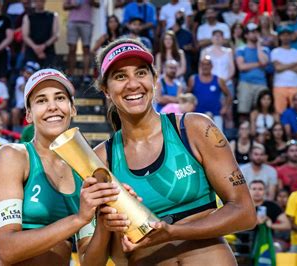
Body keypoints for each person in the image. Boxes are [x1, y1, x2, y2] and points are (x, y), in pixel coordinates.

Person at [84, 38, 255, 265]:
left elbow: (245, 212)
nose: (133, 84)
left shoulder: (195, 129)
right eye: (120, 76)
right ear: (106, 90)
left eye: (141, 73)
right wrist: (105, 226)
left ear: (155, 79)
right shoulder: (100, 159)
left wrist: (173, 232)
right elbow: (90, 262)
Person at [0, 68, 120, 265]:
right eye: (41, 100)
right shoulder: (12, 157)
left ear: (73, 108)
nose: (52, 106)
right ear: (28, 115)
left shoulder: (84, 171)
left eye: (60, 98)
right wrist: (79, 219)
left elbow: (90, 262)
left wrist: (104, 225)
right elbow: (7, 249)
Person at [187, 56, 232, 131]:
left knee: (217, 139)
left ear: (212, 66)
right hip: (197, 114)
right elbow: (187, 95)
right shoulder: (193, 79)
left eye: (207, 64)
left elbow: (229, 95)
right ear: (200, 66)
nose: (205, 67)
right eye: (203, 64)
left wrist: (225, 108)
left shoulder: (219, 80)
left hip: (216, 114)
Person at [235, 22, 270, 121]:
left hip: (261, 83)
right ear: (246, 35)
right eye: (252, 32)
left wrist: (259, 45)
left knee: (261, 111)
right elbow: (241, 67)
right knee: (243, 111)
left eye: (256, 31)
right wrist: (258, 64)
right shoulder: (241, 49)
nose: (255, 34)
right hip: (245, 83)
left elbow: (264, 61)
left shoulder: (265, 49)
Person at [271, 25, 297, 114]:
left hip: (296, 85)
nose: (285, 37)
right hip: (279, 85)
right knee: (279, 111)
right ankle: (280, 127)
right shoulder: (275, 51)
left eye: (288, 35)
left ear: (291, 36)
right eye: (283, 35)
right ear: (279, 37)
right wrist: (293, 64)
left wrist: (284, 65)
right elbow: (277, 68)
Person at [63, 0, 94, 83]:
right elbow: (64, 6)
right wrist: (73, 5)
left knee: (86, 48)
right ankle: (70, 74)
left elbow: (97, 4)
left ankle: (86, 75)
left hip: (87, 22)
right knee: (72, 48)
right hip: (72, 22)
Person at [22, 0, 60, 68]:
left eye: (41, 1)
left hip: (48, 52)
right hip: (31, 52)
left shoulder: (53, 16)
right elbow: (25, 36)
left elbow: (56, 35)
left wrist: (43, 46)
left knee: (48, 76)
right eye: (37, 1)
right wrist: (35, 48)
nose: (39, 3)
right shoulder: (27, 17)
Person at [12, 61, 40, 133]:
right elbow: (23, 88)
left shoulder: (37, 81)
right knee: (15, 112)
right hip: (20, 106)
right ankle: (17, 133)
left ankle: (29, 133)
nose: (26, 74)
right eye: (25, 72)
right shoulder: (20, 79)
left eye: (29, 73)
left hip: (32, 106)